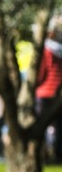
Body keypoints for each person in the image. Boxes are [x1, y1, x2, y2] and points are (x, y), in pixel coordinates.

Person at [34, 19, 62, 164]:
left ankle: (43, 155)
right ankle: (58, 154)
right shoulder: (60, 49)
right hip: (58, 93)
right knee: (59, 126)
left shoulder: (46, 51)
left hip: (45, 92)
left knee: (42, 126)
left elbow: (40, 73)